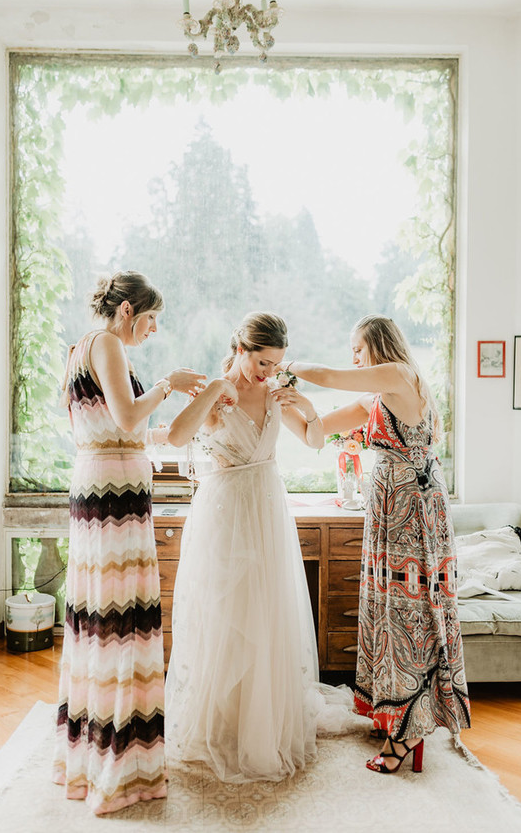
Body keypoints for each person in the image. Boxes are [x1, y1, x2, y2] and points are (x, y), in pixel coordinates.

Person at [164, 311, 366, 784]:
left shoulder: (276, 392)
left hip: (267, 511)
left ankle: (263, 723)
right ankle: (224, 722)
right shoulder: (217, 394)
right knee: (227, 613)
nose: (269, 372)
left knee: (266, 612)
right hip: (224, 514)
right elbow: (175, 437)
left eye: (275, 364)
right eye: (262, 362)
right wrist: (214, 390)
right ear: (241, 350)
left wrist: (306, 405)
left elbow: (315, 439)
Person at [287, 314, 471, 774]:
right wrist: (287, 403)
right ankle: (394, 711)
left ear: (379, 346)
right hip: (389, 514)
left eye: (358, 348)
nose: (354, 357)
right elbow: (313, 434)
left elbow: (329, 375)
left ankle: (408, 730)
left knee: (410, 612)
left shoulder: (400, 375)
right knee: (388, 611)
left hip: (414, 513)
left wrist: (285, 366)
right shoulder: (374, 400)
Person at [52, 270, 206, 814]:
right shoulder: (108, 344)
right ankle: (122, 769)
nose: (154, 329)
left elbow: (122, 430)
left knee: (100, 623)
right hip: (113, 500)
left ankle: (90, 761)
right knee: (121, 626)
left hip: (102, 487)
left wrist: (186, 417)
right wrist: (168, 384)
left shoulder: (81, 348)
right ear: (126, 311)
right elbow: (128, 416)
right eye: (151, 318)